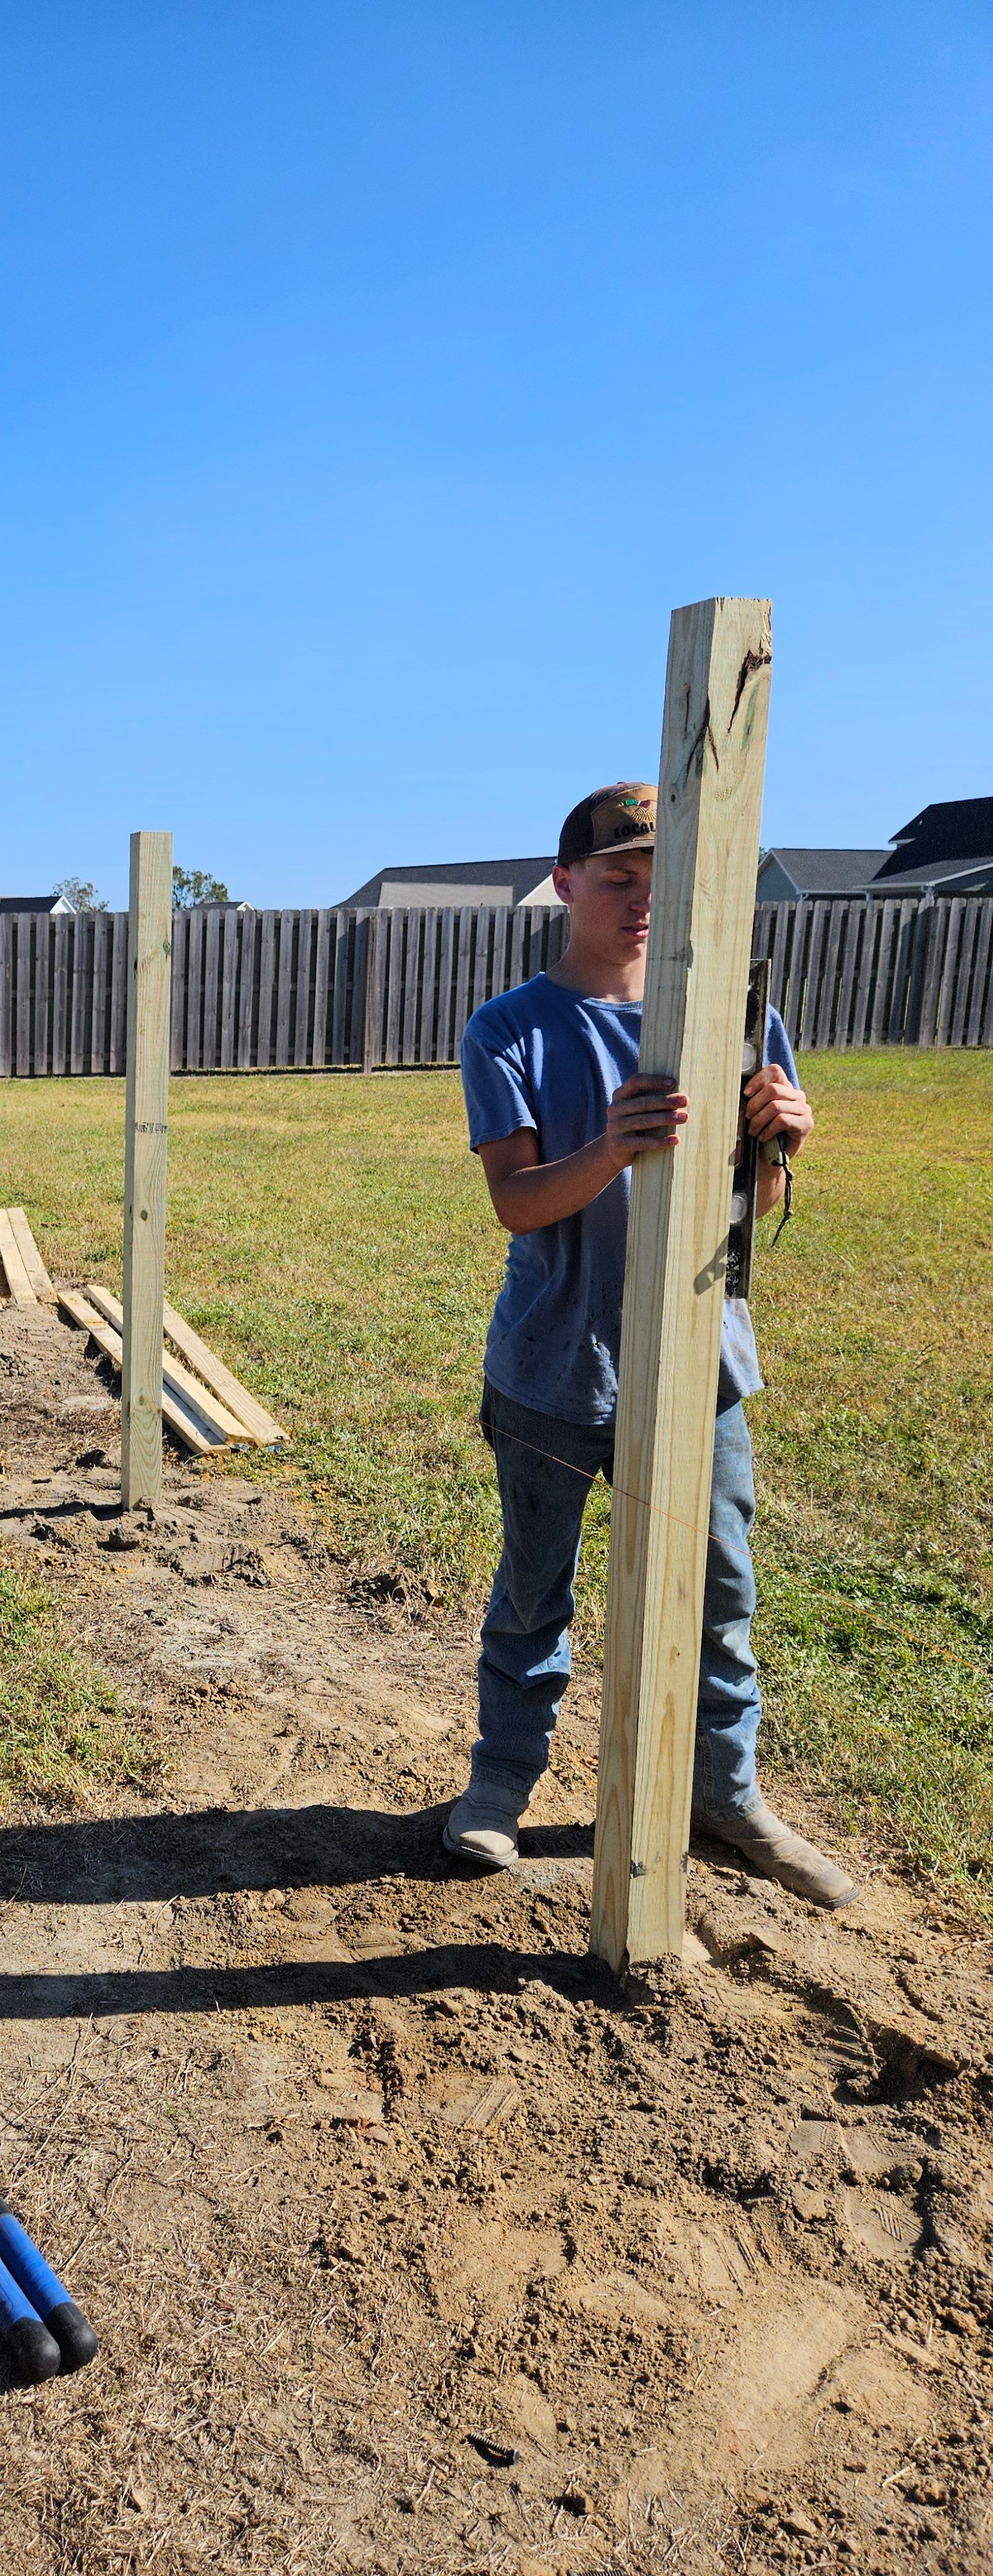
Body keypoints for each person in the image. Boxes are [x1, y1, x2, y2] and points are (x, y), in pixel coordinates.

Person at [449, 781, 856, 1909]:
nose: (642, 902)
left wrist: (781, 1139)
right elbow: (519, 1203)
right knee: (535, 1595)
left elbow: (752, 1203)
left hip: (701, 1369)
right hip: (554, 1369)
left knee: (721, 1599)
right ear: (565, 881)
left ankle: (725, 1798)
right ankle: (499, 1789)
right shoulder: (512, 1027)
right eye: (619, 877)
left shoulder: (737, 1010)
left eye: (662, 881)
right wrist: (614, 1147)